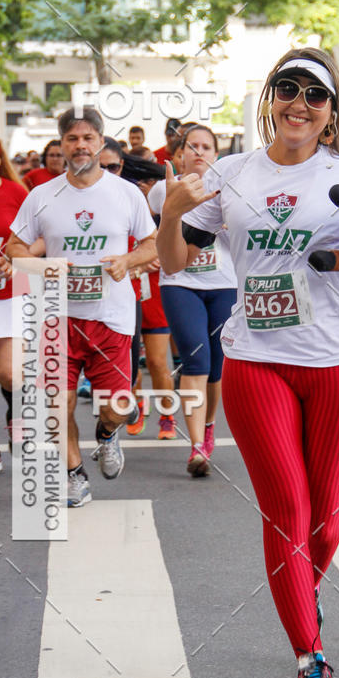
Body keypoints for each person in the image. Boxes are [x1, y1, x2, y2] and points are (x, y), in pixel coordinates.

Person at [157, 48, 339, 678]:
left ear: (331, 112)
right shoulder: (231, 172)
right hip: (255, 360)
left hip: (338, 364)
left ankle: (302, 589)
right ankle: (309, 657)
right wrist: (171, 213)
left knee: (326, 522)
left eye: (315, 94)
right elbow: (175, 262)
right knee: (287, 511)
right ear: (270, 97)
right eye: (288, 89)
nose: (300, 103)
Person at [5, 107, 156, 507]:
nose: (80, 145)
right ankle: (74, 475)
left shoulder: (125, 193)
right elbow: (15, 248)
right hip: (57, 318)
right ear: (62, 144)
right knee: (59, 404)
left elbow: (152, 244)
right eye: (72, 138)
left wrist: (128, 260)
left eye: (88, 137)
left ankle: (107, 433)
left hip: (111, 318)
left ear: (101, 142)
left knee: (117, 407)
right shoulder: (42, 196)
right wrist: (43, 266)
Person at [150, 124, 237, 473]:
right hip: (179, 283)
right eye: (193, 146)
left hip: (223, 283)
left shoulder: (230, 189)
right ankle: (197, 445)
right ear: (180, 153)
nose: (199, 151)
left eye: (206, 146)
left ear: (216, 155)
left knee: (216, 367)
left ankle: (210, 425)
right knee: (195, 360)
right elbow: (153, 235)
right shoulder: (162, 190)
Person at [0, 140, 28, 474]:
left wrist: (14, 257)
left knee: (9, 373)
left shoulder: (15, 192)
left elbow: (38, 237)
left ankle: (16, 418)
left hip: (12, 293)